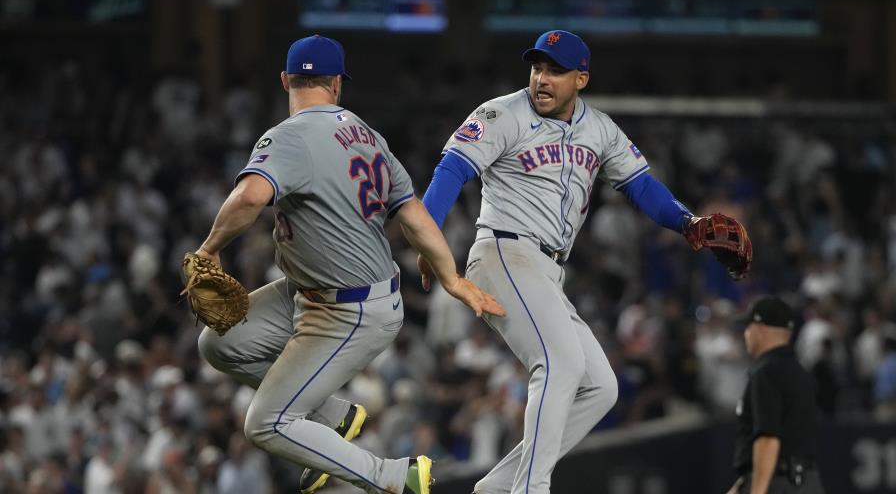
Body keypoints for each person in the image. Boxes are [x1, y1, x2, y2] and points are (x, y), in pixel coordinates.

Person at [419, 29, 748, 494]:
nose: (542, 79)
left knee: (600, 387)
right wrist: (428, 238)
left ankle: (497, 487)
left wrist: (688, 223)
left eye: (556, 70)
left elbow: (641, 186)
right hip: (504, 252)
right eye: (537, 67)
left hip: (547, 270)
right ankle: (530, 490)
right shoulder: (501, 113)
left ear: (582, 78)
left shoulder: (600, 129)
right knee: (558, 363)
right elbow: (451, 169)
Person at [193, 34, 504, 494]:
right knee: (219, 344)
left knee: (266, 424)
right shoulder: (367, 135)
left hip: (350, 311)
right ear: (337, 83)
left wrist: (209, 248)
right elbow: (413, 214)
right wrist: (450, 276)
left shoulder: (289, 136)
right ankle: (335, 417)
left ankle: (393, 477)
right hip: (311, 290)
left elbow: (251, 196)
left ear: (285, 80)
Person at [728, 297, 824, 494]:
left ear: (761, 329)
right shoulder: (799, 371)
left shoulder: (766, 371)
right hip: (807, 482)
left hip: (777, 483)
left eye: (748, 327)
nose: (745, 334)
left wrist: (756, 490)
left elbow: (768, 439)